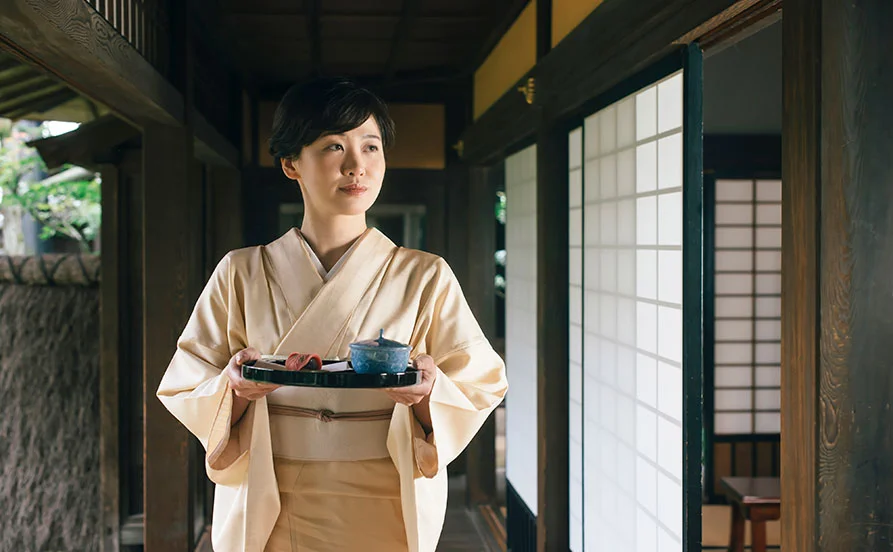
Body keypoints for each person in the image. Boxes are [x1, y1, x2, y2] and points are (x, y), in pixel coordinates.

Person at [156, 77, 508, 552]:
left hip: (384, 495)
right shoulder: (240, 272)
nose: (356, 166)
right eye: (333, 147)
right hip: (272, 493)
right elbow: (185, 382)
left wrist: (427, 395)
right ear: (290, 163)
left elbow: (480, 383)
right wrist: (235, 391)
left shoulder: (426, 275)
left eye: (371, 147)